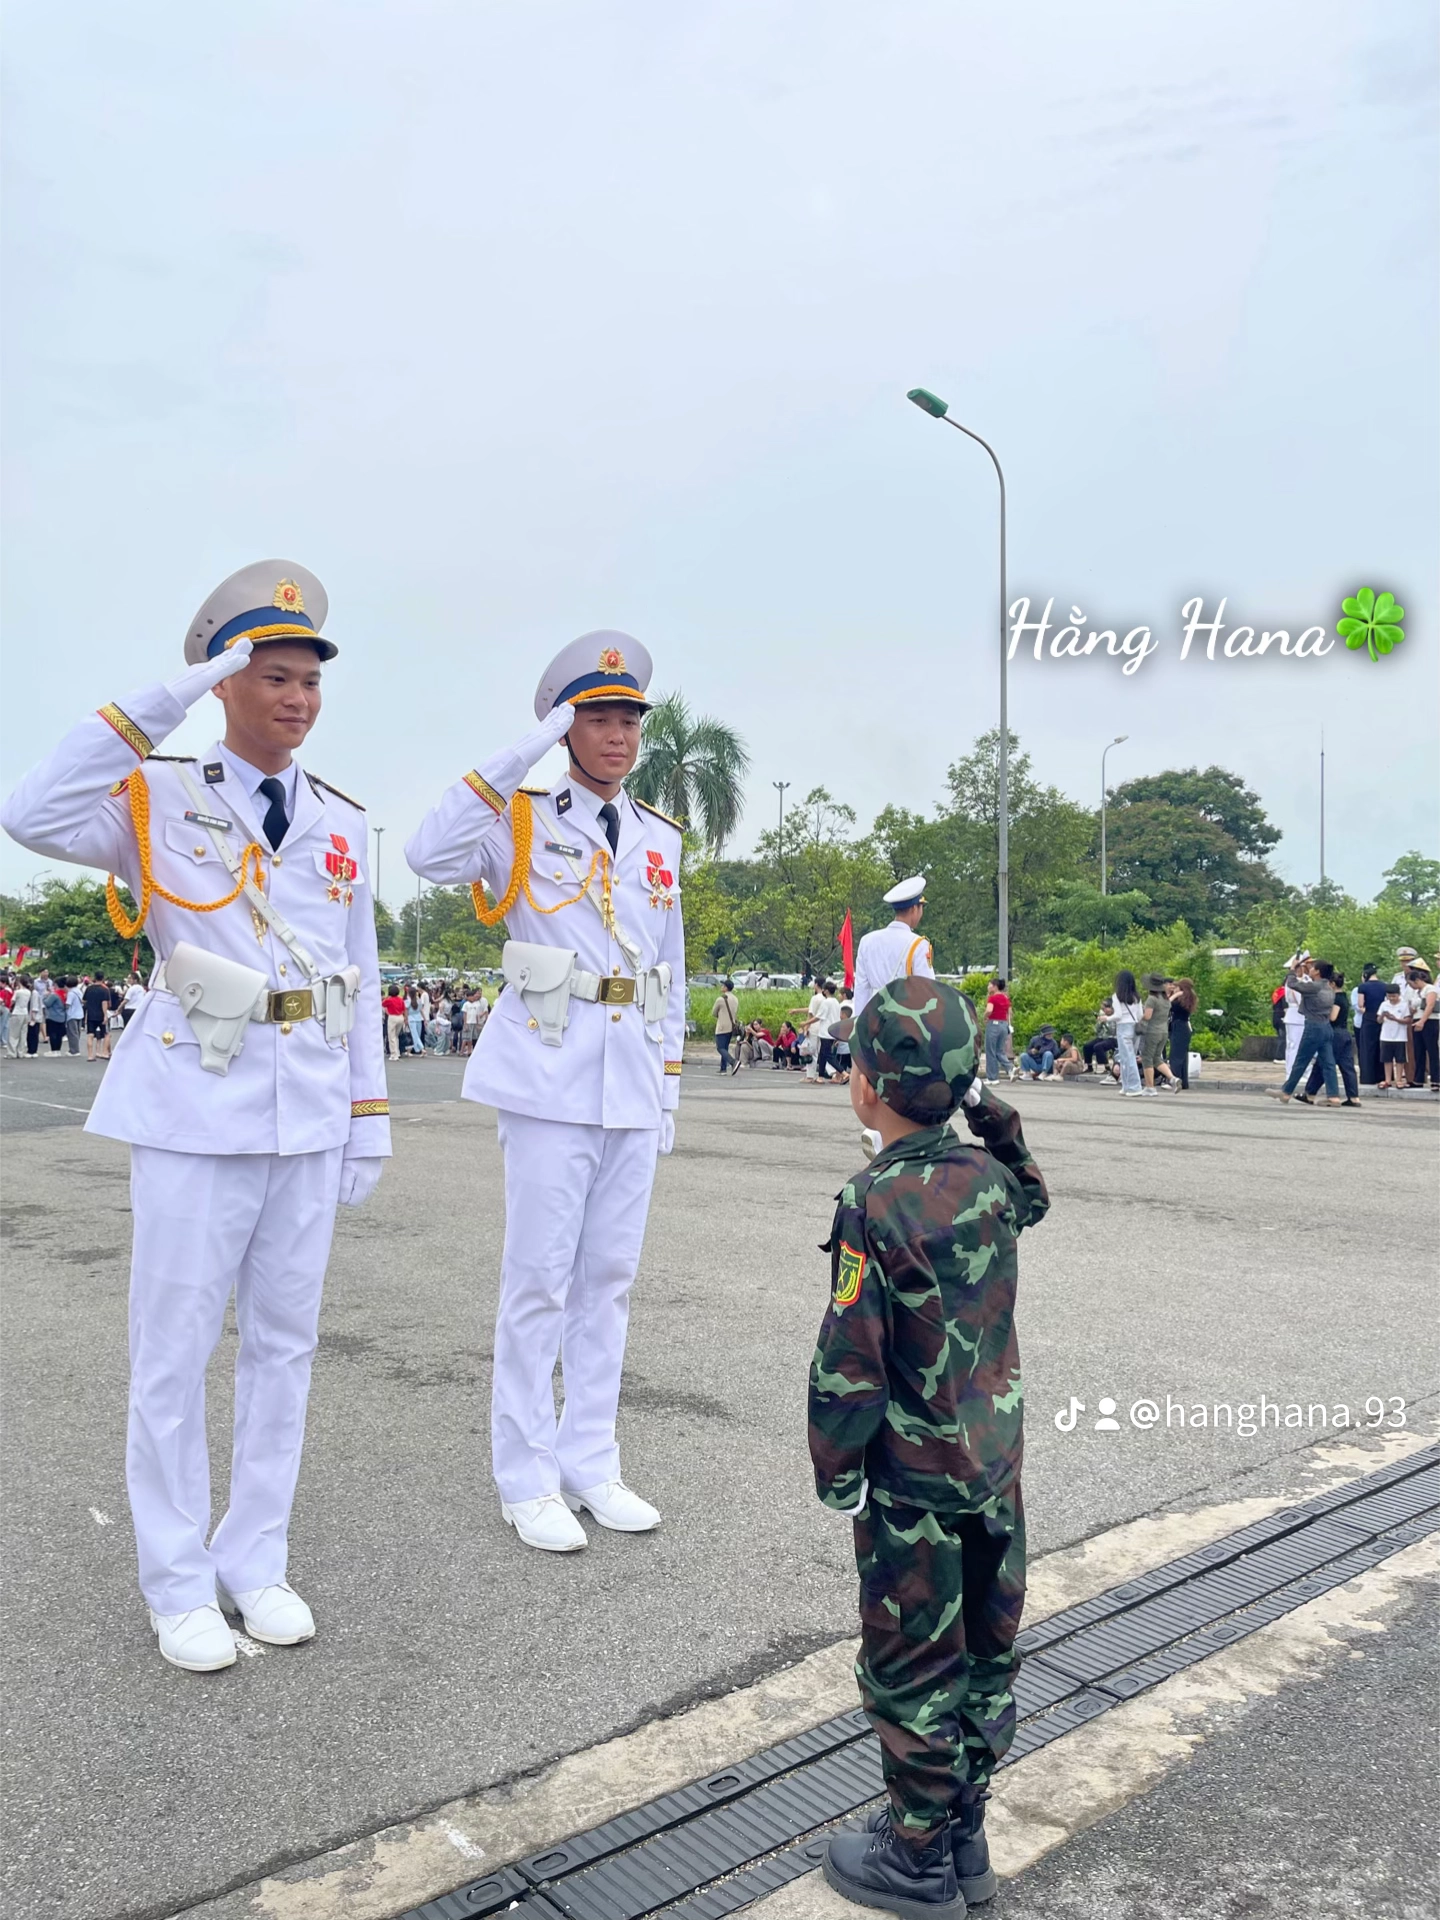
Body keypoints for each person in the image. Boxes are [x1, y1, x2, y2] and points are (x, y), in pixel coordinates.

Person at [0, 558, 390, 1672]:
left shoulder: (343, 822)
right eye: (272, 674)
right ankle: (175, 1581)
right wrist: (162, 698)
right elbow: (26, 811)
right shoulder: (154, 793)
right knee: (171, 1354)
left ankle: (252, 1560)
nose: (297, 697)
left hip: (308, 1110)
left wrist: (370, 1116)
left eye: (310, 677)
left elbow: (354, 976)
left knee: (285, 1348)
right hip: (190, 1107)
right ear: (226, 681)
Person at [405, 630, 684, 1553]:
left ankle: (590, 1461)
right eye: (596, 718)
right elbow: (426, 850)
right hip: (549, 1074)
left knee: (607, 1279)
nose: (616, 735)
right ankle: (523, 1474)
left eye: (626, 719)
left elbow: (670, 970)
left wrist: (671, 1086)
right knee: (538, 1281)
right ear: (567, 728)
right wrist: (525, 748)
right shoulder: (519, 821)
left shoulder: (656, 839)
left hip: (632, 1077)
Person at [810, 978, 1048, 1918]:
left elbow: (849, 1359)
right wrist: (989, 1110)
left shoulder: (870, 1202)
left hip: (913, 1483)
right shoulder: (988, 1183)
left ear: (865, 1084)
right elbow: (1034, 1190)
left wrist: (838, 1475)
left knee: (912, 1664)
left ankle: (913, 1857)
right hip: (995, 1467)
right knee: (987, 1651)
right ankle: (966, 1832)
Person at [851, 877, 934, 1028]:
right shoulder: (918, 945)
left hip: (875, 1022)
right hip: (906, 1023)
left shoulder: (867, 941)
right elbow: (927, 991)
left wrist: (859, 1027)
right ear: (914, 909)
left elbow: (861, 990)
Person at [1270, 957, 1342, 1105]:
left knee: (1301, 1061)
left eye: (1313, 967)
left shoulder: (1314, 987)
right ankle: (1333, 1096)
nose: (1311, 969)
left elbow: (1292, 984)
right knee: (1328, 1063)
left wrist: (1292, 970)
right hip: (1326, 1027)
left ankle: (1286, 1092)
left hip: (1313, 1026)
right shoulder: (1329, 988)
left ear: (1318, 972)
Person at [1301, 969, 1360, 1106]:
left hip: (1334, 1034)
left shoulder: (1336, 999)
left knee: (1322, 1064)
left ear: (1332, 984)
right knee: (1347, 1067)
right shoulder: (1344, 997)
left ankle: (1310, 1094)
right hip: (1345, 1033)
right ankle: (1353, 1096)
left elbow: (1333, 1017)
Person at [1138, 974, 1175, 1093]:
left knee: (1147, 1059)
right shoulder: (1166, 1000)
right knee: (1157, 1058)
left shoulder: (1152, 999)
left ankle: (1150, 1087)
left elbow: (1148, 1016)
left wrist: (1139, 1019)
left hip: (1152, 1031)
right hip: (1163, 1031)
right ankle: (1173, 1078)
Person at [1111, 969, 1144, 1096]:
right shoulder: (1137, 997)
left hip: (1123, 1027)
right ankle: (1126, 1086)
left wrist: (1106, 1018)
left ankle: (1134, 1087)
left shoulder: (1117, 997)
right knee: (1129, 1057)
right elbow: (1140, 1015)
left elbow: (1118, 1015)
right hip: (1135, 1028)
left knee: (1126, 1058)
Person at [1355, 963, 1387, 1090]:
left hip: (1368, 1017)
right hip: (1381, 1018)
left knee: (1367, 1047)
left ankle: (1368, 1076)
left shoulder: (1363, 987)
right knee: (1381, 1046)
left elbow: (1360, 1004)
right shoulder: (1384, 986)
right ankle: (1381, 1075)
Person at [1407, 961, 1438, 1092]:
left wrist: (1422, 1021)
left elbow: (1430, 1005)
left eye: (1412, 983)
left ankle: (1436, 1079)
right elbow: (1414, 1006)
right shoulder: (1416, 992)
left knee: (1432, 1050)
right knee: (1418, 1051)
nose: (1411, 986)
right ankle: (1418, 1078)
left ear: (1417, 980)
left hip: (1429, 1020)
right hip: (1417, 1018)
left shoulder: (1430, 989)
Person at [1377, 982, 1411, 1091]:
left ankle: (1399, 1079)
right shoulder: (1384, 1004)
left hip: (1400, 1036)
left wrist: (1395, 1019)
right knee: (1387, 1059)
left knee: (1400, 1059)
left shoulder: (1404, 1005)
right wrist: (1383, 1015)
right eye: (1389, 996)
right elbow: (1378, 1020)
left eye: (1394, 996)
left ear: (1399, 994)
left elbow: (1408, 1020)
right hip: (1385, 1035)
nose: (1391, 998)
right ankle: (1387, 1080)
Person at [1165, 978, 1196, 1092]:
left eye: (1177, 987)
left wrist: (1174, 995)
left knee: (1176, 1055)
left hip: (1179, 1027)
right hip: (1183, 1027)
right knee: (1182, 1056)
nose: (1175, 988)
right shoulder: (1186, 999)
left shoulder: (1180, 1001)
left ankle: (1174, 1079)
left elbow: (1166, 1005)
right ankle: (1183, 1081)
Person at [982, 976, 1012, 1085]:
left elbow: (989, 1010)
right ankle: (1010, 1068)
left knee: (990, 1051)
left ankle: (992, 1078)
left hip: (993, 1024)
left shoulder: (993, 998)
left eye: (989, 985)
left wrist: (984, 1017)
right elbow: (1010, 1012)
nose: (988, 987)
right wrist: (1008, 1024)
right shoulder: (1005, 997)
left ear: (994, 986)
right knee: (999, 1050)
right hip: (1004, 1024)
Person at [1083, 999, 1119, 1078]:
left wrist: (1106, 1021)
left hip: (1113, 1038)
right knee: (1087, 1046)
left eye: (1105, 1009)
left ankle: (1106, 1067)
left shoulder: (1115, 1017)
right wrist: (1099, 1022)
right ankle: (1089, 1066)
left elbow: (1113, 1031)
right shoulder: (1103, 1016)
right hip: (1102, 1037)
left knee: (1098, 1046)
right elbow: (1097, 1031)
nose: (1104, 1011)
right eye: (1103, 1009)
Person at [83, 974, 114, 1061]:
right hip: (100, 1014)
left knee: (90, 1034)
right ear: (103, 978)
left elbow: (84, 1000)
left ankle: (90, 1055)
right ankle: (104, 1053)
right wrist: (105, 1015)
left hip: (90, 1014)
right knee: (106, 1034)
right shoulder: (104, 989)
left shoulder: (89, 988)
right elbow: (104, 1003)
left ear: (94, 978)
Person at [712, 978, 741, 1072]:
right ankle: (723, 1068)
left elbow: (714, 1013)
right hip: (731, 1027)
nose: (721, 987)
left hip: (721, 1027)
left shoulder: (720, 999)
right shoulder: (736, 999)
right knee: (725, 1047)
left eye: (723, 985)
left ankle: (733, 1062)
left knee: (720, 1048)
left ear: (725, 988)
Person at [5, 976, 33, 1058]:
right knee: (23, 1033)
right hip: (25, 1013)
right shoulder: (28, 992)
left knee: (13, 1034)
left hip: (17, 1012)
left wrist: (10, 1009)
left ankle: (12, 1053)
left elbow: (12, 1002)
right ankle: (21, 1052)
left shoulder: (18, 992)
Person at [42, 978, 68, 1052]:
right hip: (62, 1016)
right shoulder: (64, 994)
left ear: (56, 985)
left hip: (53, 1016)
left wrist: (45, 996)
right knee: (59, 1035)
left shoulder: (54, 995)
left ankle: (54, 1050)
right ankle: (58, 1050)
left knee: (53, 1034)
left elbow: (47, 1003)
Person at [64, 976, 84, 1053]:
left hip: (72, 1015)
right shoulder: (79, 991)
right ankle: (76, 1048)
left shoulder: (71, 993)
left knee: (72, 1033)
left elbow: (68, 1004)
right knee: (77, 1033)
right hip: (80, 1013)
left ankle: (74, 1050)